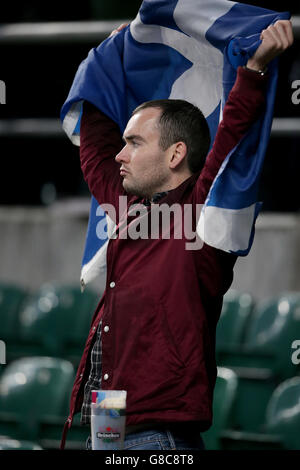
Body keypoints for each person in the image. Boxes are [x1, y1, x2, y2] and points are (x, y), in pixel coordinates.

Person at [61, 20, 293, 450]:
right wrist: (107, 54)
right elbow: (93, 143)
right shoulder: (125, 206)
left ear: (175, 154)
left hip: (157, 435)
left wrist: (255, 70)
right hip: (108, 423)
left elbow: (231, 143)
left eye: (133, 142)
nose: (120, 153)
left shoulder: (203, 212)